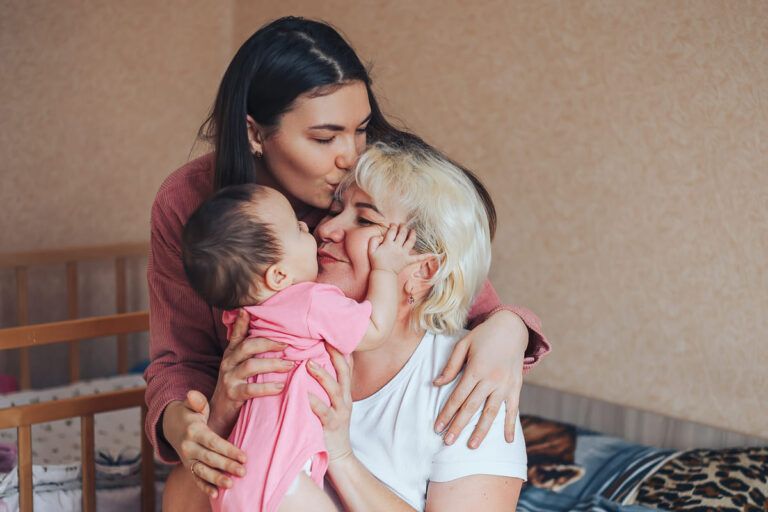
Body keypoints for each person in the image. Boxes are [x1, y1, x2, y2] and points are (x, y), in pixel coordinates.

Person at [144, 16, 550, 509]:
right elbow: (180, 358)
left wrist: (511, 328)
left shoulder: (368, 182)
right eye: (324, 138)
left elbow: (454, 283)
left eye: (359, 130)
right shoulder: (190, 202)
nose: (350, 156)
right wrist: (192, 422)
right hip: (245, 413)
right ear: (255, 134)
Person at [301, 140, 528, 510]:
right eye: (335, 210)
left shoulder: (468, 385)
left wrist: (340, 456)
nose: (326, 229)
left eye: (365, 219)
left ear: (423, 271)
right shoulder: (287, 337)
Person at [180, 183, 427, 511]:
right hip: (283, 479)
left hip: (241, 477)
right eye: (297, 229)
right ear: (279, 275)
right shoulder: (309, 301)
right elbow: (375, 329)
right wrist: (386, 267)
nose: (314, 228)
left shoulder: (244, 316)